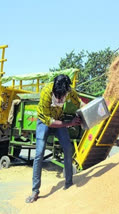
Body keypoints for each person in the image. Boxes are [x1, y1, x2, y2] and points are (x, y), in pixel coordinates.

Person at [26, 74, 84, 203]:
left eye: (62, 96)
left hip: (59, 119)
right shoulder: (46, 92)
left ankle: (68, 183)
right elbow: (49, 122)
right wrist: (70, 123)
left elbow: (79, 102)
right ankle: (35, 191)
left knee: (68, 149)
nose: (59, 99)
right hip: (44, 122)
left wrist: (88, 111)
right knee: (39, 153)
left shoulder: (69, 91)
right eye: (57, 96)